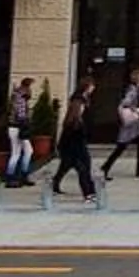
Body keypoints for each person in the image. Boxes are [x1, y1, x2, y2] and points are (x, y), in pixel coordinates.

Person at [49, 77, 99, 205]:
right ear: (87, 87)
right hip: (73, 141)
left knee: (67, 165)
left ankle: (54, 185)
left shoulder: (82, 100)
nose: (94, 88)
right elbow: (75, 119)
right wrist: (82, 130)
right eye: (92, 86)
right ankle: (89, 193)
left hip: (73, 140)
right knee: (83, 167)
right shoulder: (78, 100)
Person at [99, 72, 139, 180]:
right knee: (121, 147)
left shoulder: (136, 90)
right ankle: (105, 168)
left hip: (135, 125)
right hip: (131, 124)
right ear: (137, 80)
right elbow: (125, 103)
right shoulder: (133, 91)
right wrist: (136, 110)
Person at [4, 75, 35, 188]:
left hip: (15, 127)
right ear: (26, 88)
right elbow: (21, 116)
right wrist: (28, 120)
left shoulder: (16, 95)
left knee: (27, 151)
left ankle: (22, 174)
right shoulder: (21, 98)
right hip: (18, 128)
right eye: (30, 88)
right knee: (17, 152)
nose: (31, 92)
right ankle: (11, 176)